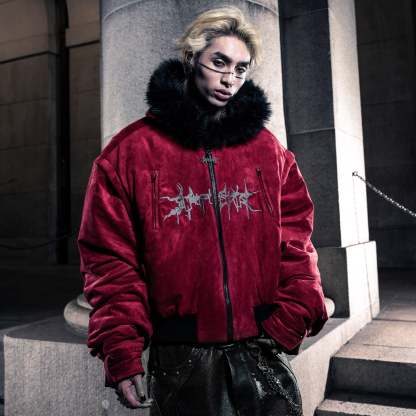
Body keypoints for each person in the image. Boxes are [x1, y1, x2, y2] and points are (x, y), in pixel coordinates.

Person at [77, 5, 328, 415]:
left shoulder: (267, 150)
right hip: (181, 360)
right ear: (192, 58)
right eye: (219, 62)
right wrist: (121, 350)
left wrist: (292, 318)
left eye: (241, 69)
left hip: (262, 351)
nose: (230, 79)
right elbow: (110, 261)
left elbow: (296, 242)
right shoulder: (129, 153)